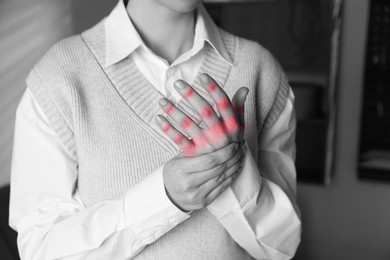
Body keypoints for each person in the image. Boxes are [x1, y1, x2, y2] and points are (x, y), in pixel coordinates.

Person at [9, 0, 301, 259]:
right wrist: (163, 198)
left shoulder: (260, 70)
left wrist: (232, 171)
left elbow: (282, 247)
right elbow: (41, 249)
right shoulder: (58, 79)